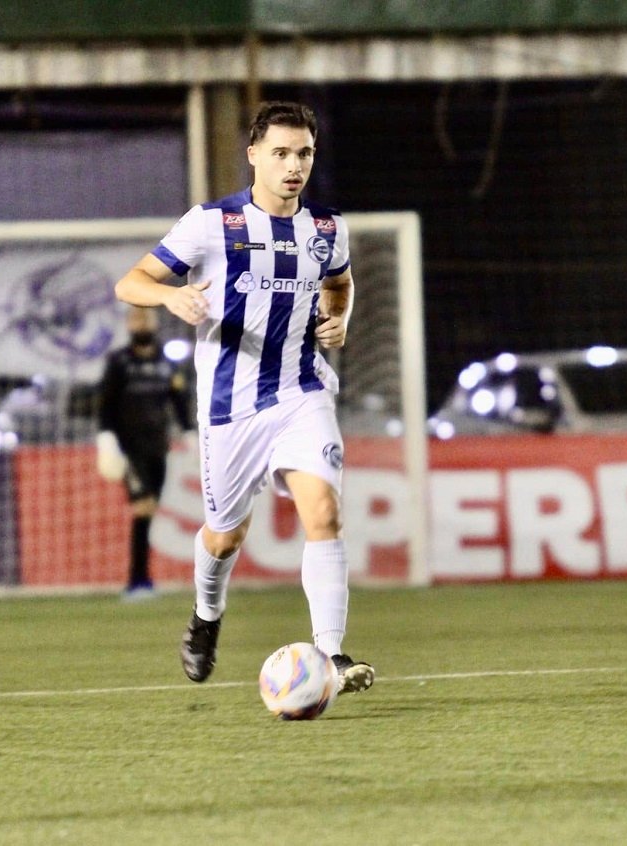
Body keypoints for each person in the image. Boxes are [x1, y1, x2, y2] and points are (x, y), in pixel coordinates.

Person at [113, 101, 375, 695]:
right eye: (280, 153)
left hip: (302, 391)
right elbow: (131, 281)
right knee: (224, 536)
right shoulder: (211, 223)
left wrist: (338, 319)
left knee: (325, 514)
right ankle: (206, 619)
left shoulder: (327, 228)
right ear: (254, 155)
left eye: (304, 153)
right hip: (231, 407)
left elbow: (340, 282)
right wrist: (170, 299)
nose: (293, 166)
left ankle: (331, 656)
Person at [95, 305, 193, 600]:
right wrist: (107, 438)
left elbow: (178, 398)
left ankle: (142, 580)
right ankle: (137, 581)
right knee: (143, 507)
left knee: (149, 511)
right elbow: (106, 404)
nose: (141, 323)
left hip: (158, 448)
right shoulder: (120, 362)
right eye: (136, 318)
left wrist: (189, 431)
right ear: (128, 324)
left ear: (154, 322)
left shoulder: (167, 361)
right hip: (129, 449)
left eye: (145, 318)